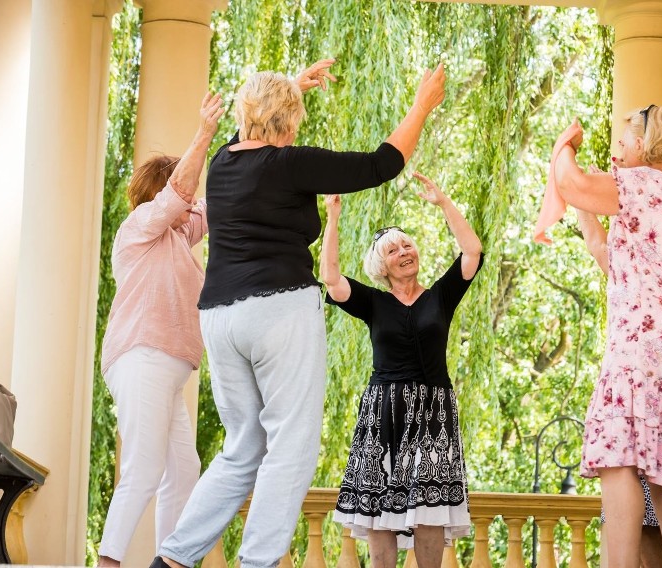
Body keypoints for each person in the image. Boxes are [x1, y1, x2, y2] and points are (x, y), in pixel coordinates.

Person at [152, 59, 446, 568]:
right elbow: (383, 163)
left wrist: (288, 86)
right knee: (291, 446)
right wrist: (422, 104)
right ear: (286, 123)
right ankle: (259, 563)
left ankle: (172, 560)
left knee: (242, 448)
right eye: (295, 119)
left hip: (219, 317)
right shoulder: (291, 163)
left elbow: (260, 113)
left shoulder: (222, 162)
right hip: (278, 311)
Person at [553, 104, 662, 568]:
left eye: (623, 143)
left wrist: (563, 148)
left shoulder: (642, 184)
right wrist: (586, 207)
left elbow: (572, 183)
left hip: (643, 347)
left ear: (645, 144)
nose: (617, 153)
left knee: (619, 458)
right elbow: (608, 253)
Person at [320, 171, 483, 568]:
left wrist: (444, 203)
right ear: (382, 265)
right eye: (394, 251)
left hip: (433, 411)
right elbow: (331, 279)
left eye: (407, 245)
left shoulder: (441, 296)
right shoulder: (373, 302)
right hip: (384, 411)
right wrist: (334, 217)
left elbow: (473, 251)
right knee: (379, 510)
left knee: (429, 508)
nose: (404, 252)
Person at [97, 93, 225, 567]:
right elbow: (182, 195)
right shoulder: (139, 227)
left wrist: (271, 109)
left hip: (168, 368)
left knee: (183, 470)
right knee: (145, 468)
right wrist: (203, 133)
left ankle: (169, 561)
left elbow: (223, 194)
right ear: (161, 190)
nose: (189, 200)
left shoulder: (176, 235)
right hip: (142, 355)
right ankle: (109, 562)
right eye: (179, 191)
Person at [575, 206, 662, 568]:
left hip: (647, 422)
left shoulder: (649, 252)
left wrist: (566, 173)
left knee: (649, 547)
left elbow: (597, 241)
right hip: (646, 420)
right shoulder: (630, 272)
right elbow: (598, 245)